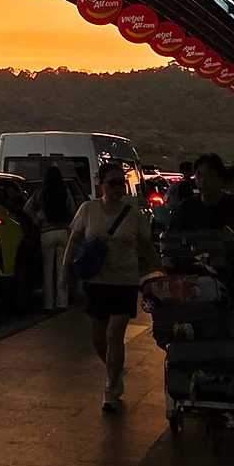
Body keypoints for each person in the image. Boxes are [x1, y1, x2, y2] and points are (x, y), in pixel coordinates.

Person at [62, 163, 159, 412]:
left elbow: (146, 245)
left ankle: (111, 387)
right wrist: (65, 268)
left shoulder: (133, 215)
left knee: (114, 334)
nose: (117, 188)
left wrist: (159, 270)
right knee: (98, 337)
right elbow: (75, 238)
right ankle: (114, 370)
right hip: (96, 282)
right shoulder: (88, 210)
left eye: (120, 183)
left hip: (124, 281)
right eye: (112, 183)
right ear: (101, 185)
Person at [27, 164, 73, 311]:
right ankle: (62, 302)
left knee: (47, 270)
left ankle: (48, 303)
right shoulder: (65, 192)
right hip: (63, 232)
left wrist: (37, 219)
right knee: (61, 268)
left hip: (46, 233)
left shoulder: (40, 193)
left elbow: (26, 209)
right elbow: (73, 211)